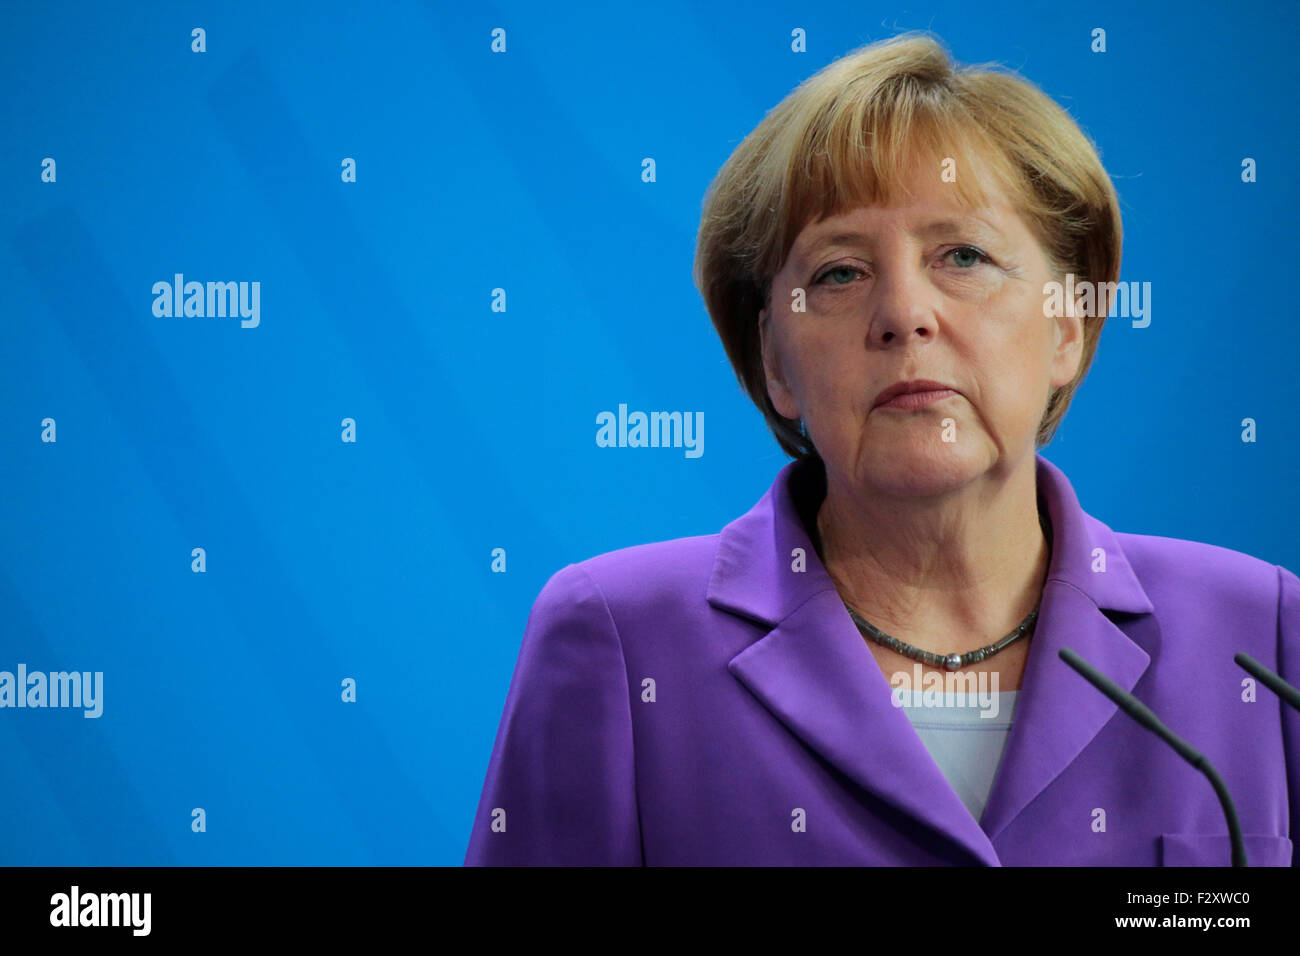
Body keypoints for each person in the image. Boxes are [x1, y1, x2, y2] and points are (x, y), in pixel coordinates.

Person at [464, 32, 1298, 866]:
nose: (904, 313)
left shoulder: (1261, 637)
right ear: (775, 363)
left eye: (963, 256)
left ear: (1069, 327)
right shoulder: (619, 640)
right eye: (839, 273)